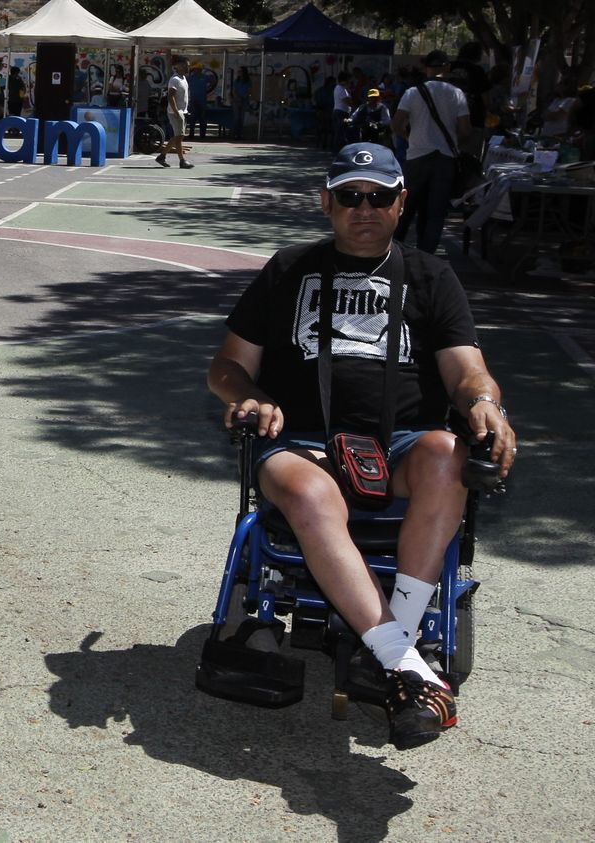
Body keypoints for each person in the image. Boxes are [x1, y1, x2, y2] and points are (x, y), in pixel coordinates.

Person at [207, 141, 516, 750]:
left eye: (378, 197)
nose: (364, 208)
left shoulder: (431, 276)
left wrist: (485, 402)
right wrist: (247, 395)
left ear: (402, 203)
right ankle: (406, 667)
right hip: (301, 442)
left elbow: (466, 373)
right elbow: (225, 368)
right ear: (326, 202)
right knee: (310, 493)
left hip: (398, 444)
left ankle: (391, 643)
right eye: (350, 196)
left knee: (451, 454)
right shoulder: (289, 269)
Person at [392, 50, 473, 254]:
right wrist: (453, 141)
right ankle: (426, 255)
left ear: (426, 68)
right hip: (445, 158)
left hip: (418, 156)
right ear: (446, 68)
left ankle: (393, 250)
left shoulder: (412, 92)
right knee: (435, 212)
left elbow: (396, 124)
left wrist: (410, 138)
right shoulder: (457, 94)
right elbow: (465, 130)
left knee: (407, 208)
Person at [157, 57, 193, 169]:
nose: (188, 67)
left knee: (178, 136)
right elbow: (170, 96)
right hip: (176, 112)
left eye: (188, 65)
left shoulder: (183, 78)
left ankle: (162, 156)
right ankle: (182, 160)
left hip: (183, 111)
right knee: (179, 136)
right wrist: (176, 111)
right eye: (186, 65)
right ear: (178, 66)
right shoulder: (175, 79)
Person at [232, 67, 252, 138]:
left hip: (244, 100)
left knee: (241, 118)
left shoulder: (248, 81)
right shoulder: (236, 81)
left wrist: (244, 97)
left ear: (244, 72)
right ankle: (234, 133)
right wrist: (238, 98)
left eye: (240, 71)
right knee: (236, 118)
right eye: (238, 71)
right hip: (236, 101)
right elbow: (234, 91)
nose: (239, 72)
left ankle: (240, 134)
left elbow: (249, 91)